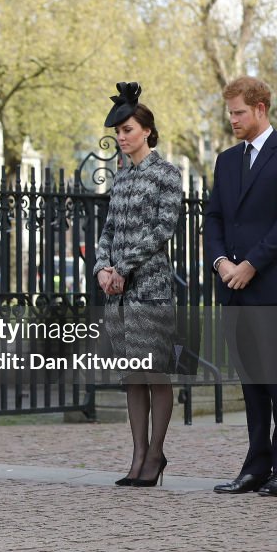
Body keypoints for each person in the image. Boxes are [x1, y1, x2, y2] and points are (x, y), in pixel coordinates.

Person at [205, 76, 277, 498]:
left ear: (261, 108)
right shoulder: (226, 161)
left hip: (272, 284)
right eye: (229, 113)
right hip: (232, 285)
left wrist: (251, 264)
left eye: (239, 112)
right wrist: (221, 263)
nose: (232, 120)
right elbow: (213, 218)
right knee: (250, 382)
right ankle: (255, 467)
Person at [93, 82, 182, 488]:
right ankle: (137, 456)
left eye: (127, 130)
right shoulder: (121, 179)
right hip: (119, 294)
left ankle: (156, 454)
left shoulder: (166, 174)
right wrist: (101, 268)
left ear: (146, 130)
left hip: (152, 290)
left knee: (155, 374)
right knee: (132, 377)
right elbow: (108, 230)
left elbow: (163, 229)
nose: (121, 138)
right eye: (118, 132)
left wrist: (123, 267)